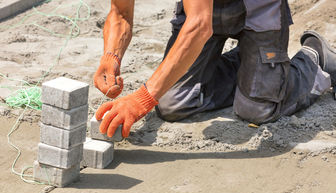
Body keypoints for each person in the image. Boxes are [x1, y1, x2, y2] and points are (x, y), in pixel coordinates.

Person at [93, 0, 336, 138]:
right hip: (201, 7)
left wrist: (141, 100)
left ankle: (315, 59)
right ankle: (251, 66)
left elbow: (199, 27)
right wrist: (111, 56)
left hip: (257, 5)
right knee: (173, 103)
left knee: (257, 109)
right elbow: (120, 13)